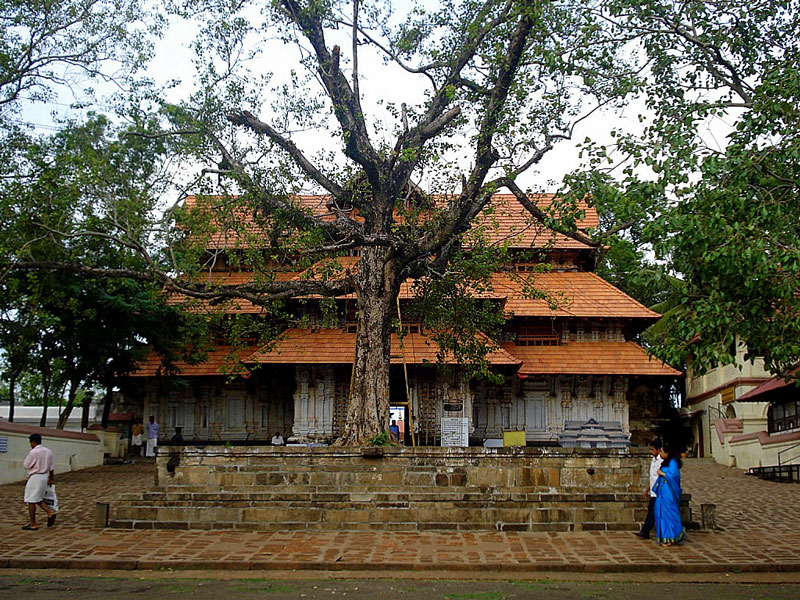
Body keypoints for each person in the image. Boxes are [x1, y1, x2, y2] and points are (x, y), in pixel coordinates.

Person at [653, 442, 686, 546]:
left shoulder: (673, 463)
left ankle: (671, 536)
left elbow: (674, 476)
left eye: (662, 451)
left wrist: (662, 473)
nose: (661, 453)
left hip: (669, 492)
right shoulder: (665, 463)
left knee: (669, 514)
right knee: (661, 513)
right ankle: (664, 537)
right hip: (662, 490)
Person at [21, 433, 56, 530]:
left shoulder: (33, 452)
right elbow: (51, 467)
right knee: (38, 498)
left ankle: (33, 523)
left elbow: (26, 465)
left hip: (35, 476)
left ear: (33, 442)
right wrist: (51, 478)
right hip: (44, 476)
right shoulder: (48, 452)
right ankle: (49, 512)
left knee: (31, 500)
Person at [634, 438, 663, 539]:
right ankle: (645, 531)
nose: (651, 452)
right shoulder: (653, 460)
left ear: (659, 449)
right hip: (653, 491)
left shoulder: (661, 461)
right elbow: (653, 478)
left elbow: (659, 478)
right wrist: (648, 489)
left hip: (658, 491)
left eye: (652, 450)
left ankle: (645, 531)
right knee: (652, 511)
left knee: (652, 512)